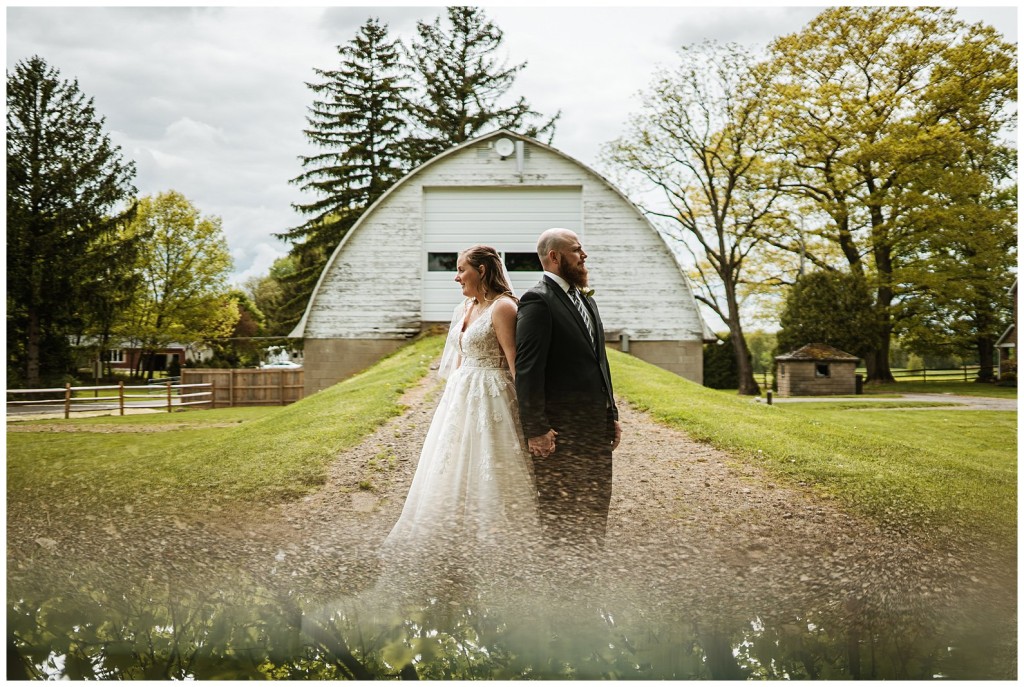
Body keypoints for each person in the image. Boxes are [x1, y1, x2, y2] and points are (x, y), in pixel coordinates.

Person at [379, 245, 541, 589]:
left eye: (461, 269)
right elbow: (455, 358)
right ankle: (449, 541)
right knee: (448, 463)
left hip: (493, 397)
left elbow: (516, 365)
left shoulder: (504, 307)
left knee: (489, 467)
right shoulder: (465, 307)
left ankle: (496, 547)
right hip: (460, 396)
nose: (456, 277)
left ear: (482, 270)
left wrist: (530, 416)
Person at [515, 228, 622, 549]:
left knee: (596, 503)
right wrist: (536, 429)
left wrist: (611, 413)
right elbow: (528, 371)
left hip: (594, 428)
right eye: (577, 250)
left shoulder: (585, 299)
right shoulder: (537, 301)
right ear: (554, 257)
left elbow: (599, 362)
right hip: (559, 433)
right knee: (561, 511)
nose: (584, 255)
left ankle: (589, 572)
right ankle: (560, 582)